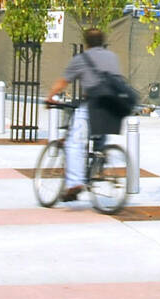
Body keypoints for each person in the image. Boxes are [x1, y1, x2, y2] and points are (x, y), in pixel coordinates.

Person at [45, 28, 125, 203]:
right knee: (99, 138)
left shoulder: (81, 59)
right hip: (113, 106)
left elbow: (62, 82)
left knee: (74, 143)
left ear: (86, 43)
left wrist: (50, 97)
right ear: (103, 41)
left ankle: (74, 184)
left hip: (93, 105)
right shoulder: (113, 57)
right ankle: (99, 161)